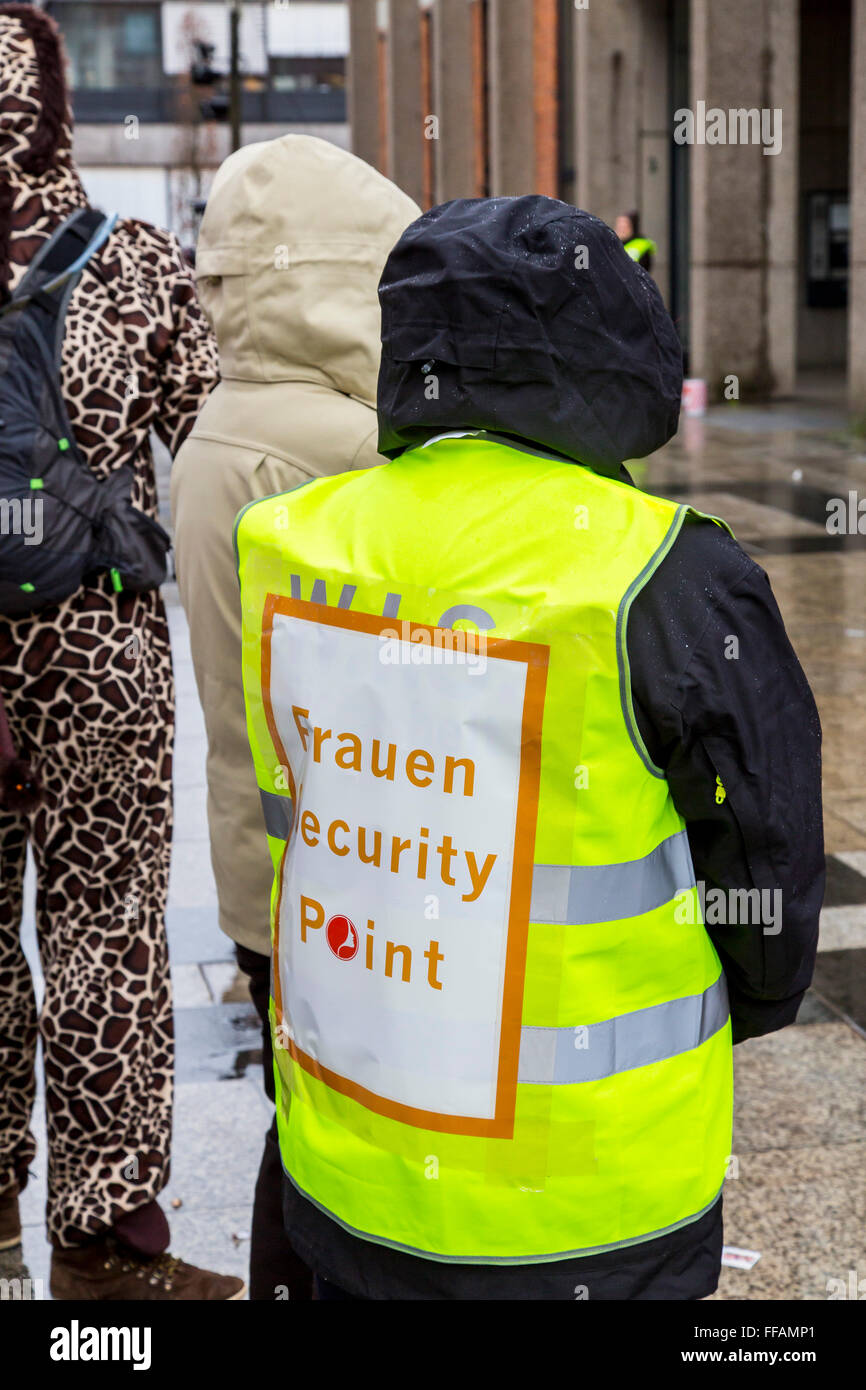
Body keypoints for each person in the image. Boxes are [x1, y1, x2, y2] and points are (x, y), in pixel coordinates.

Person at [235, 196, 823, 1300]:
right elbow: (770, 867)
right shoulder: (665, 575)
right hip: (590, 1203)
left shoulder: (290, 541)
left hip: (348, 1170)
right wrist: (741, 1001)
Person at [0, 4, 243, 1300]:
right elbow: (205, 450)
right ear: (59, 111)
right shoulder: (137, 261)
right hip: (97, 649)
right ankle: (103, 1241)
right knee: (106, 930)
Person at [170, 134, 420, 1300]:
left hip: (262, 867)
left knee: (305, 1125)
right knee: (347, 1148)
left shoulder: (226, 423)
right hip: (348, 868)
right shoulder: (336, 444)